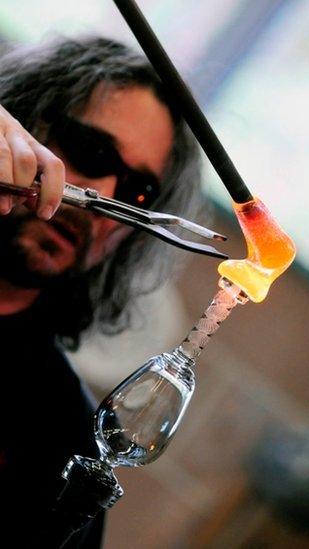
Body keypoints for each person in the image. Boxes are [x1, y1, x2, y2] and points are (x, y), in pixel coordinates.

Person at [0, 36, 201, 548]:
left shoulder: (66, 445)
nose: (103, 199)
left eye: (137, 193)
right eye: (91, 152)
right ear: (24, 123)